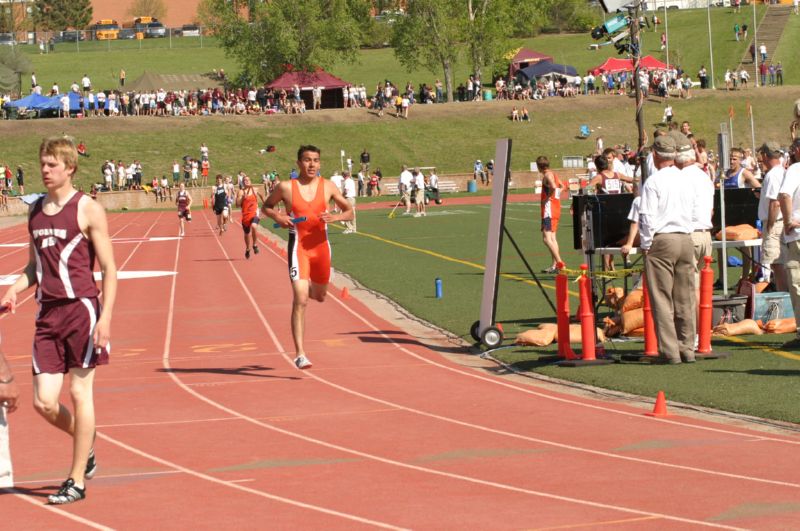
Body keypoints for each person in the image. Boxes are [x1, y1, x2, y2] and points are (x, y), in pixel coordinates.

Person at [0, 136, 117, 504]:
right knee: (44, 403)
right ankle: (88, 444)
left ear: (70, 168)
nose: (45, 170)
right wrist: (15, 290)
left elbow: (110, 268)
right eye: (43, 164)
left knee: (80, 393)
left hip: (81, 309)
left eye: (52, 165)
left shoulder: (88, 209)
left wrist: (105, 319)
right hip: (47, 314)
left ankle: (76, 479)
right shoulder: (35, 212)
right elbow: (34, 267)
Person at [261, 145, 353, 369]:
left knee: (320, 296)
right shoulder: (286, 187)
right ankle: (300, 354)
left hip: (321, 248)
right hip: (299, 247)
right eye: (307, 160)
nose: (312, 164)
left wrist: (335, 217)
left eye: (316, 160)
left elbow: (349, 210)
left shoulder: (328, 186)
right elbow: (266, 206)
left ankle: (308, 287)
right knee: (300, 299)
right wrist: (279, 216)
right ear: (298, 163)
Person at [638, 135, 697, 364]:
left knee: (662, 298)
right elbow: (692, 210)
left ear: (655, 155)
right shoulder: (685, 179)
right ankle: (687, 348)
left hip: (663, 239)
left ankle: (670, 351)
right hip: (685, 237)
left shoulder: (653, 181)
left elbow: (647, 216)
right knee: (685, 297)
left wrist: (646, 244)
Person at [777, 139, 800, 348]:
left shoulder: (795, 169)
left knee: (797, 284)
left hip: (798, 234)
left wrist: (788, 221)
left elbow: (784, 195)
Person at [757, 141, 788, 290]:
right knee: (779, 262)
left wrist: (769, 225)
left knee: (777, 262)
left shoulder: (772, 175)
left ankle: (784, 297)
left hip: (775, 222)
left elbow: (775, 203)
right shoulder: (781, 171)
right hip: (780, 221)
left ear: (765, 155)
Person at [538, 156, 564, 274]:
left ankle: (559, 263)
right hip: (555, 208)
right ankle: (555, 265)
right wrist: (556, 195)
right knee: (553, 238)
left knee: (546, 239)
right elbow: (562, 186)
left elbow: (554, 187)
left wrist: (548, 198)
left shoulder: (547, 175)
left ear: (539, 167)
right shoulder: (554, 174)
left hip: (549, 210)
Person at [236, 175, 264, 259]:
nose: (247, 181)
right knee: (247, 234)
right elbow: (237, 205)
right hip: (245, 215)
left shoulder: (255, 190)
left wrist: (265, 204)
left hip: (254, 212)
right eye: (245, 180)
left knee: (254, 226)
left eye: (248, 180)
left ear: (250, 181)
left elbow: (262, 196)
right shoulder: (241, 192)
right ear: (243, 182)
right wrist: (242, 199)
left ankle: (255, 245)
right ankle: (248, 249)